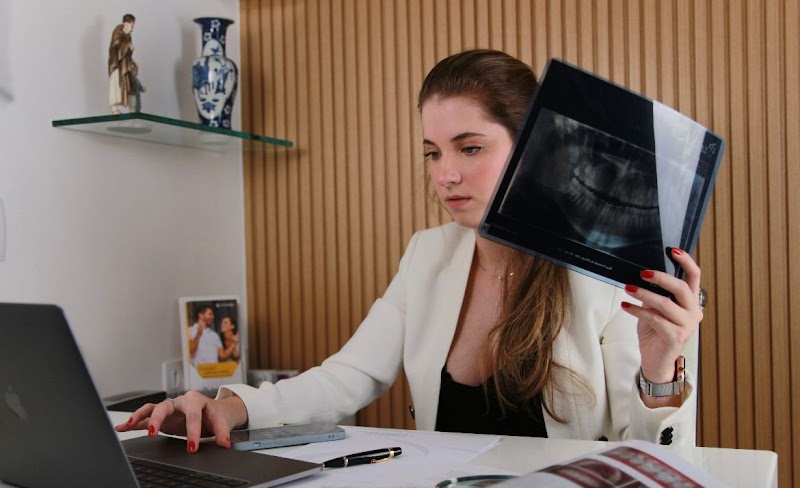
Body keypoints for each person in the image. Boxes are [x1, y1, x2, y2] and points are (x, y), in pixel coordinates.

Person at [117, 49, 703, 453]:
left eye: (469, 148)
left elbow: (654, 463)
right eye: (432, 152)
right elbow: (346, 377)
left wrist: (660, 370)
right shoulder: (428, 255)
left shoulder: (599, 275)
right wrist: (231, 405)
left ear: (532, 147)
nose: (445, 175)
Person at [108, 13, 139, 114]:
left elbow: (128, 52)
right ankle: (114, 109)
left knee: (130, 85)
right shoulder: (119, 30)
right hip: (117, 63)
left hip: (125, 64)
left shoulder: (128, 34)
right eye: (133, 23)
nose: (133, 26)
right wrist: (127, 45)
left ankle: (132, 109)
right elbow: (115, 44)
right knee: (116, 84)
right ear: (130, 22)